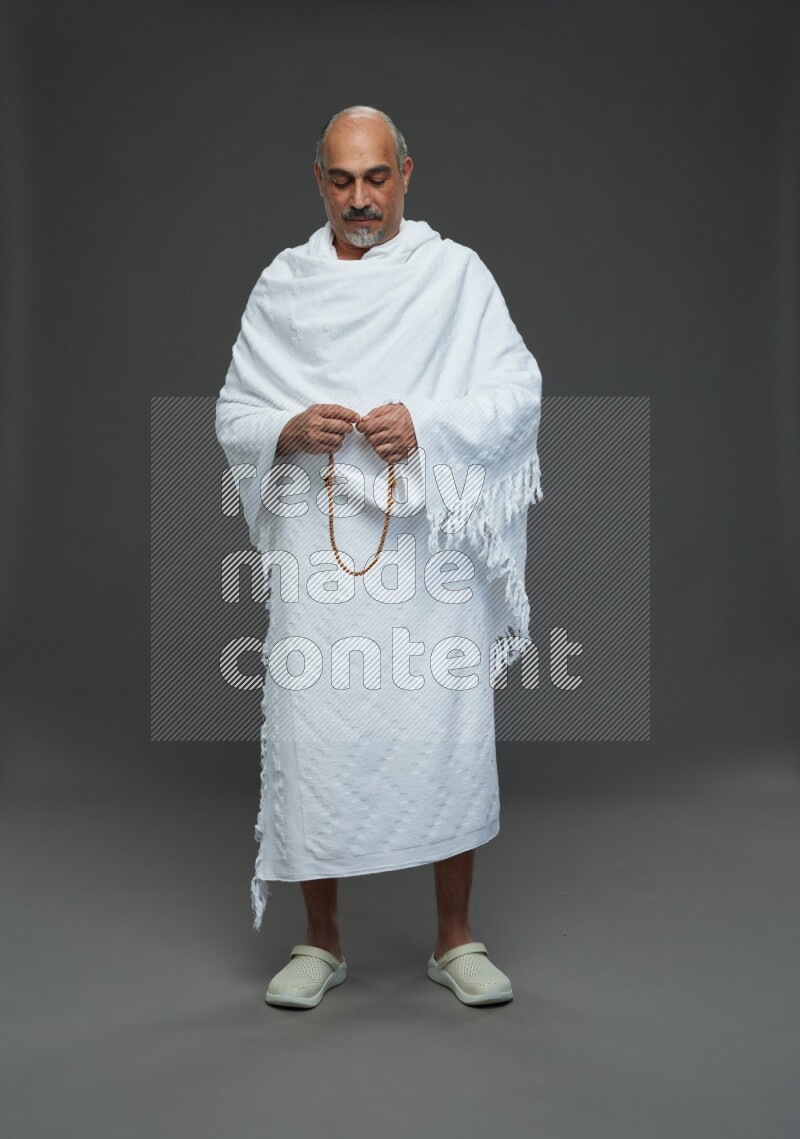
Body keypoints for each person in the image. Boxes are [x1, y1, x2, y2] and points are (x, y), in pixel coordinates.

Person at [215, 105, 543, 1009]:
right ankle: (320, 941)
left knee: (444, 730)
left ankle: (454, 938)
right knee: (316, 735)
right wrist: (286, 426)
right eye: (341, 180)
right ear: (317, 179)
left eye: (376, 177)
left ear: (407, 172)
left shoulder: (455, 276)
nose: (360, 199)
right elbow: (232, 412)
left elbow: (519, 391)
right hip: (320, 551)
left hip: (429, 551)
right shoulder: (284, 285)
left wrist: (426, 423)